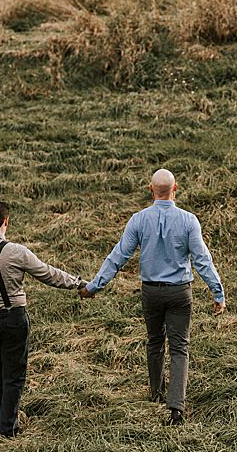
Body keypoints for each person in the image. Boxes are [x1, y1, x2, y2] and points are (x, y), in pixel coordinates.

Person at [79, 169, 225, 426]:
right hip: (180, 292)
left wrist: (94, 286)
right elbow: (202, 260)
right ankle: (176, 407)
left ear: (150, 189)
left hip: (151, 292)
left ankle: (156, 393)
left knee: (154, 341)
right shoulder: (189, 220)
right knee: (180, 347)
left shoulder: (138, 220)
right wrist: (218, 293)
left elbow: (118, 256)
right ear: (175, 188)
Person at [0, 200, 85, 437]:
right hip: (14, 319)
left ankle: (2, 412)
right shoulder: (18, 251)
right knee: (14, 372)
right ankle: (7, 427)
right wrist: (77, 283)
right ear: (6, 222)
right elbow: (48, 274)